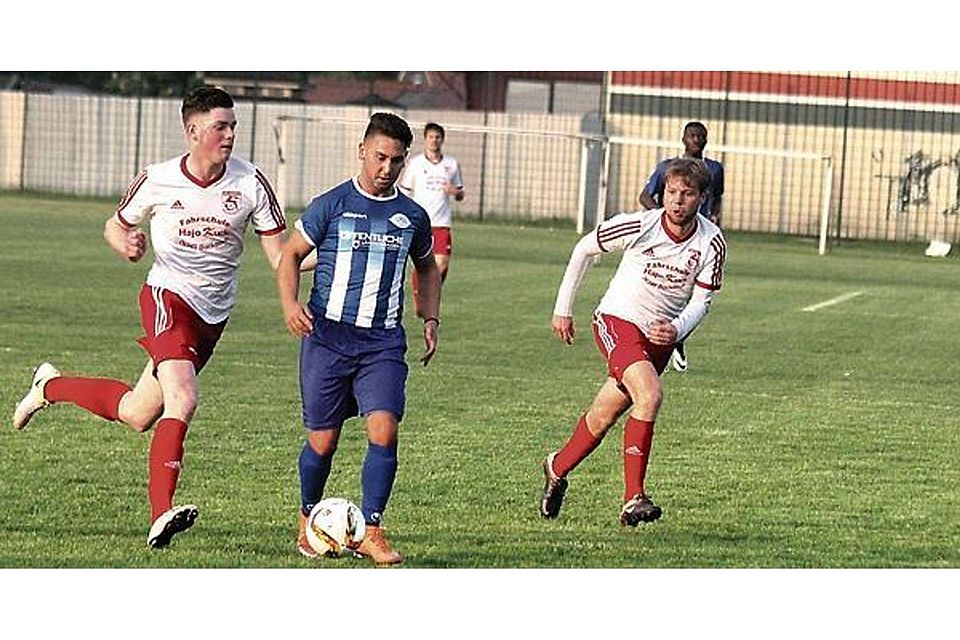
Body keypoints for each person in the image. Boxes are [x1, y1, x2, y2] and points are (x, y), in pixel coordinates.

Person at [11, 86, 302, 549]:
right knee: (182, 399)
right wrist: (123, 243)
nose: (230, 135)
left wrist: (325, 256)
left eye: (233, 126)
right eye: (220, 127)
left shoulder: (250, 183)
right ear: (193, 131)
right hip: (167, 298)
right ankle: (160, 513)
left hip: (212, 316)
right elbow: (116, 224)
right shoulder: (158, 178)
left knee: (136, 412)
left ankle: (49, 387)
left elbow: (279, 256)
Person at [277, 112, 442, 566]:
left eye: (396, 160)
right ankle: (308, 518)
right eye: (380, 157)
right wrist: (291, 305)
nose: (387, 168)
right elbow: (290, 256)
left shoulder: (412, 216)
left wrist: (430, 317)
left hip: (382, 343)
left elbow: (427, 267)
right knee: (322, 442)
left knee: (384, 429)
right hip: (327, 337)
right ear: (362, 152)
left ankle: (372, 530)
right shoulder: (331, 205)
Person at [542, 158, 726, 526]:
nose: (677, 201)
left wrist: (676, 329)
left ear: (702, 198)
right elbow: (584, 248)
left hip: (658, 340)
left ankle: (556, 467)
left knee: (603, 416)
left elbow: (701, 301)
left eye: (687, 194)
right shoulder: (641, 225)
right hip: (617, 320)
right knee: (650, 395)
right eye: (671, 192)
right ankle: (634, 498)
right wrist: (563, 309)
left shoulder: (712, 242)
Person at [639, 121, 725, 374]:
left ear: (706, 140)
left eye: (701, 136)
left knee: (692, 295)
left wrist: (714, 216)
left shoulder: (714, 169)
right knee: (665, 288)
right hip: (667, 241)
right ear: (683, 139)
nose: (696, 140)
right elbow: (645, 196)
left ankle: (676, 337)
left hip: (699, 240)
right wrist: (663, 217)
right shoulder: (668, 167)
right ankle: (664, 339)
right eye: (692, 135)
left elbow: (716, 196)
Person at [398, 122, 463, 310]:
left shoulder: (451, 164)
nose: (434, 140)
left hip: (442, 222)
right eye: (431, 137)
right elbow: (405, 190)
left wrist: (455, 191)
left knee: (442, 264)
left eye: (437, 137)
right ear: (425, 139)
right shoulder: (415, 164)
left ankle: (427, 294)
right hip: (421, 222)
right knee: (422, 262)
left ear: (442, 139)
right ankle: (422, 300)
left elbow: (460, 194)